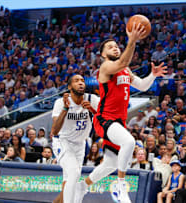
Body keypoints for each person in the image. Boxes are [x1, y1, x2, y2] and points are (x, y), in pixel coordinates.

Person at [75, 23, 167, 203]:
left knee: (110, 163)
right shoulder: (106, 67)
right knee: (129, 141)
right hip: (104, 119)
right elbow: (124, 61)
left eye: (116, 46)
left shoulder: (125, 69)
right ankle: (120, 184)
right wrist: (132, 40)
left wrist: (153, 75)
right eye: (110, 46)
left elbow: (141, 86)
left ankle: (83, 185)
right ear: (102, 54)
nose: (115, 48)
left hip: (118, 121)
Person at [51, 74, 99, 203]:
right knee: (74, 173)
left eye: (82, 80)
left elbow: (104, 121)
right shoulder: (60, 102)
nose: (80, 83)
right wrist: (65, 109)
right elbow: (54, 131)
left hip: (80, 144)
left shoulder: (92, 99)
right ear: (69, 87)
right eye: (76, 81)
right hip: (63, 142)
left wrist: (92, 110)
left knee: (69, 181)